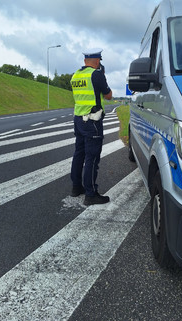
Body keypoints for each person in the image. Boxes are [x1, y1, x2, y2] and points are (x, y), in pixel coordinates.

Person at [70, 48, 112, 205]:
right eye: (99, 60)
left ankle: (76, 187)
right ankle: (90, 193)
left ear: (85, 60)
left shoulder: (75, 75)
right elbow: (108, 95)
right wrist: (103, 76)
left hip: (78, 119)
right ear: (97, 61)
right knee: (92, 157)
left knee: (79, 153)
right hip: (92, 121)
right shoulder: (96, 74)